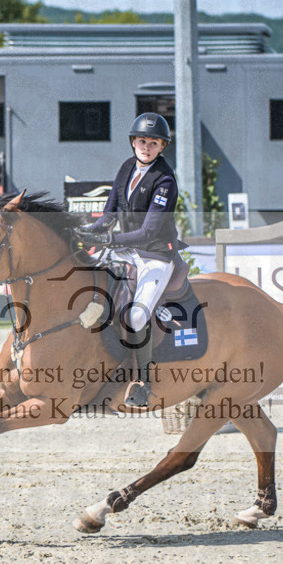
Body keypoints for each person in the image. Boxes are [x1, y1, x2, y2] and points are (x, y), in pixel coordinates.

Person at [77, 113, 188, 407]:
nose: (146, 147)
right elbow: (110, 213)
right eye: (142, 141)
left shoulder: (165, 180)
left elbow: (148, 230)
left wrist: (110, 240)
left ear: (162, 146)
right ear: (133, 142)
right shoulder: (127, 167)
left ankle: (143, 381)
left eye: (154, 143)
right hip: (126, 251)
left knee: (137, 315)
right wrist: (88, 233)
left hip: (155, 255)